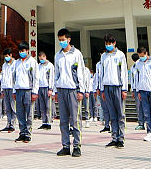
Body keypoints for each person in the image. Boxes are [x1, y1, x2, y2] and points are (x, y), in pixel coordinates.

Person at [52, 27, 88, 157]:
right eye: (60, 40)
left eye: (63, 40)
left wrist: (81, 90)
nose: (62, 42)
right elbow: (56, 74)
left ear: (69, 40)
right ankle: (65, 146)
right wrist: (55, 90)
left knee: (75, 120)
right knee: (63, 120)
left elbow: (81, 73)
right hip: (61, 90)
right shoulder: (58, 55)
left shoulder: (76, 54)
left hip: (73, 90)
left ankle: (77, 146)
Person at [96, 34, 128, 149]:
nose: (108, 45)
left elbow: (123, 72)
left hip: (118, 87)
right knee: (111, 114)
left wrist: (124, 89)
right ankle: (114, 137)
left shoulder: (120, 55)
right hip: (107, 87)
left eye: (110, 43)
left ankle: (121, 138)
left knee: (120, 114)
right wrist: (102, 89)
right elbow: (101, 74)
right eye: (106, 43)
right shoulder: (103, 56)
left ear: (114, 43)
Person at [131, 45, 151, 142]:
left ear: (146, 54)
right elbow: (136, 78)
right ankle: (149, 132)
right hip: (142, 91)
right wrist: (137, 90)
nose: (141, 57)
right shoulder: (137, 64)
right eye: (139, 56)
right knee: (146, 113)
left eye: (142, 55)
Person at [9, 41, 37, 142]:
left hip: (28, 90)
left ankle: (28, 133)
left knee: (29, 113)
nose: (21, 52)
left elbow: (35, 78)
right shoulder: (16, 62)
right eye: (20, 51)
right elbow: (14, 77)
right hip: (18, 90)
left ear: (28, 51)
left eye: (23, 51)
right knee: (20, 113)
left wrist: (34, 92)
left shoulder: (32, 62)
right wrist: (14, 91)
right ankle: (22, 132)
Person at [36, 51, 54, 129]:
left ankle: (49, 122)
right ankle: (44, 122)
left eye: (42, 57)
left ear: (45, 57)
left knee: (48, 106)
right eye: (40, 58)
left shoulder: (50, 66)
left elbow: (51, 77)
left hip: (47, 87)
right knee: (42, 106)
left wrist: (51, 88)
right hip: (40, 87)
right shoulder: (38, 66)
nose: (41, 59)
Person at [0, 50, 17, 132]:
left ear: (11, 55)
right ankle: (8, 123)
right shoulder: (4, 65)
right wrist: (2, 89)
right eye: (5, 56)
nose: (6, 57)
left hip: (12, 88)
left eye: (7, 55)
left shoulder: (15, 63)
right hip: (5, 87)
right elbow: (3, 77)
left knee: (13, 106)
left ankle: (13, 124)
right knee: (7, 107)